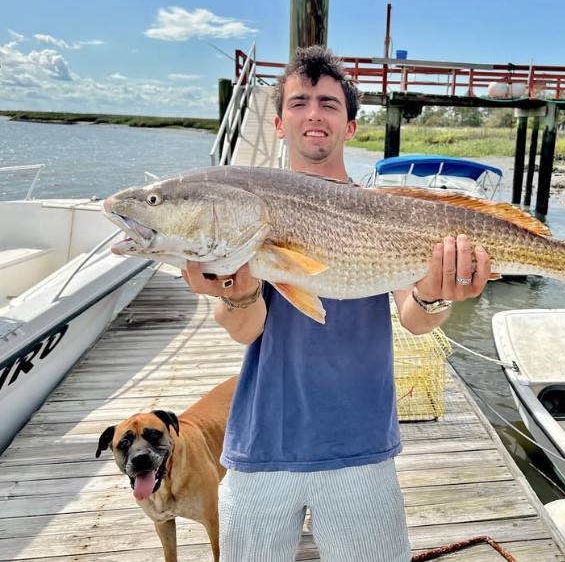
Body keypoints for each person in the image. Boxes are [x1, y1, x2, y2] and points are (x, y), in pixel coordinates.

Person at [182, 45, 492, 562]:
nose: (314, 114)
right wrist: (235, 290)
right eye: (299, 102)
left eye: (329, 103)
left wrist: (438, 291)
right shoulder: (243, 209)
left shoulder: (385, 209)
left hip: (360, 442)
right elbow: (245, 330)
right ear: (279, 123)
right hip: (263, 441)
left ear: (350, 126)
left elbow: (416, 319)